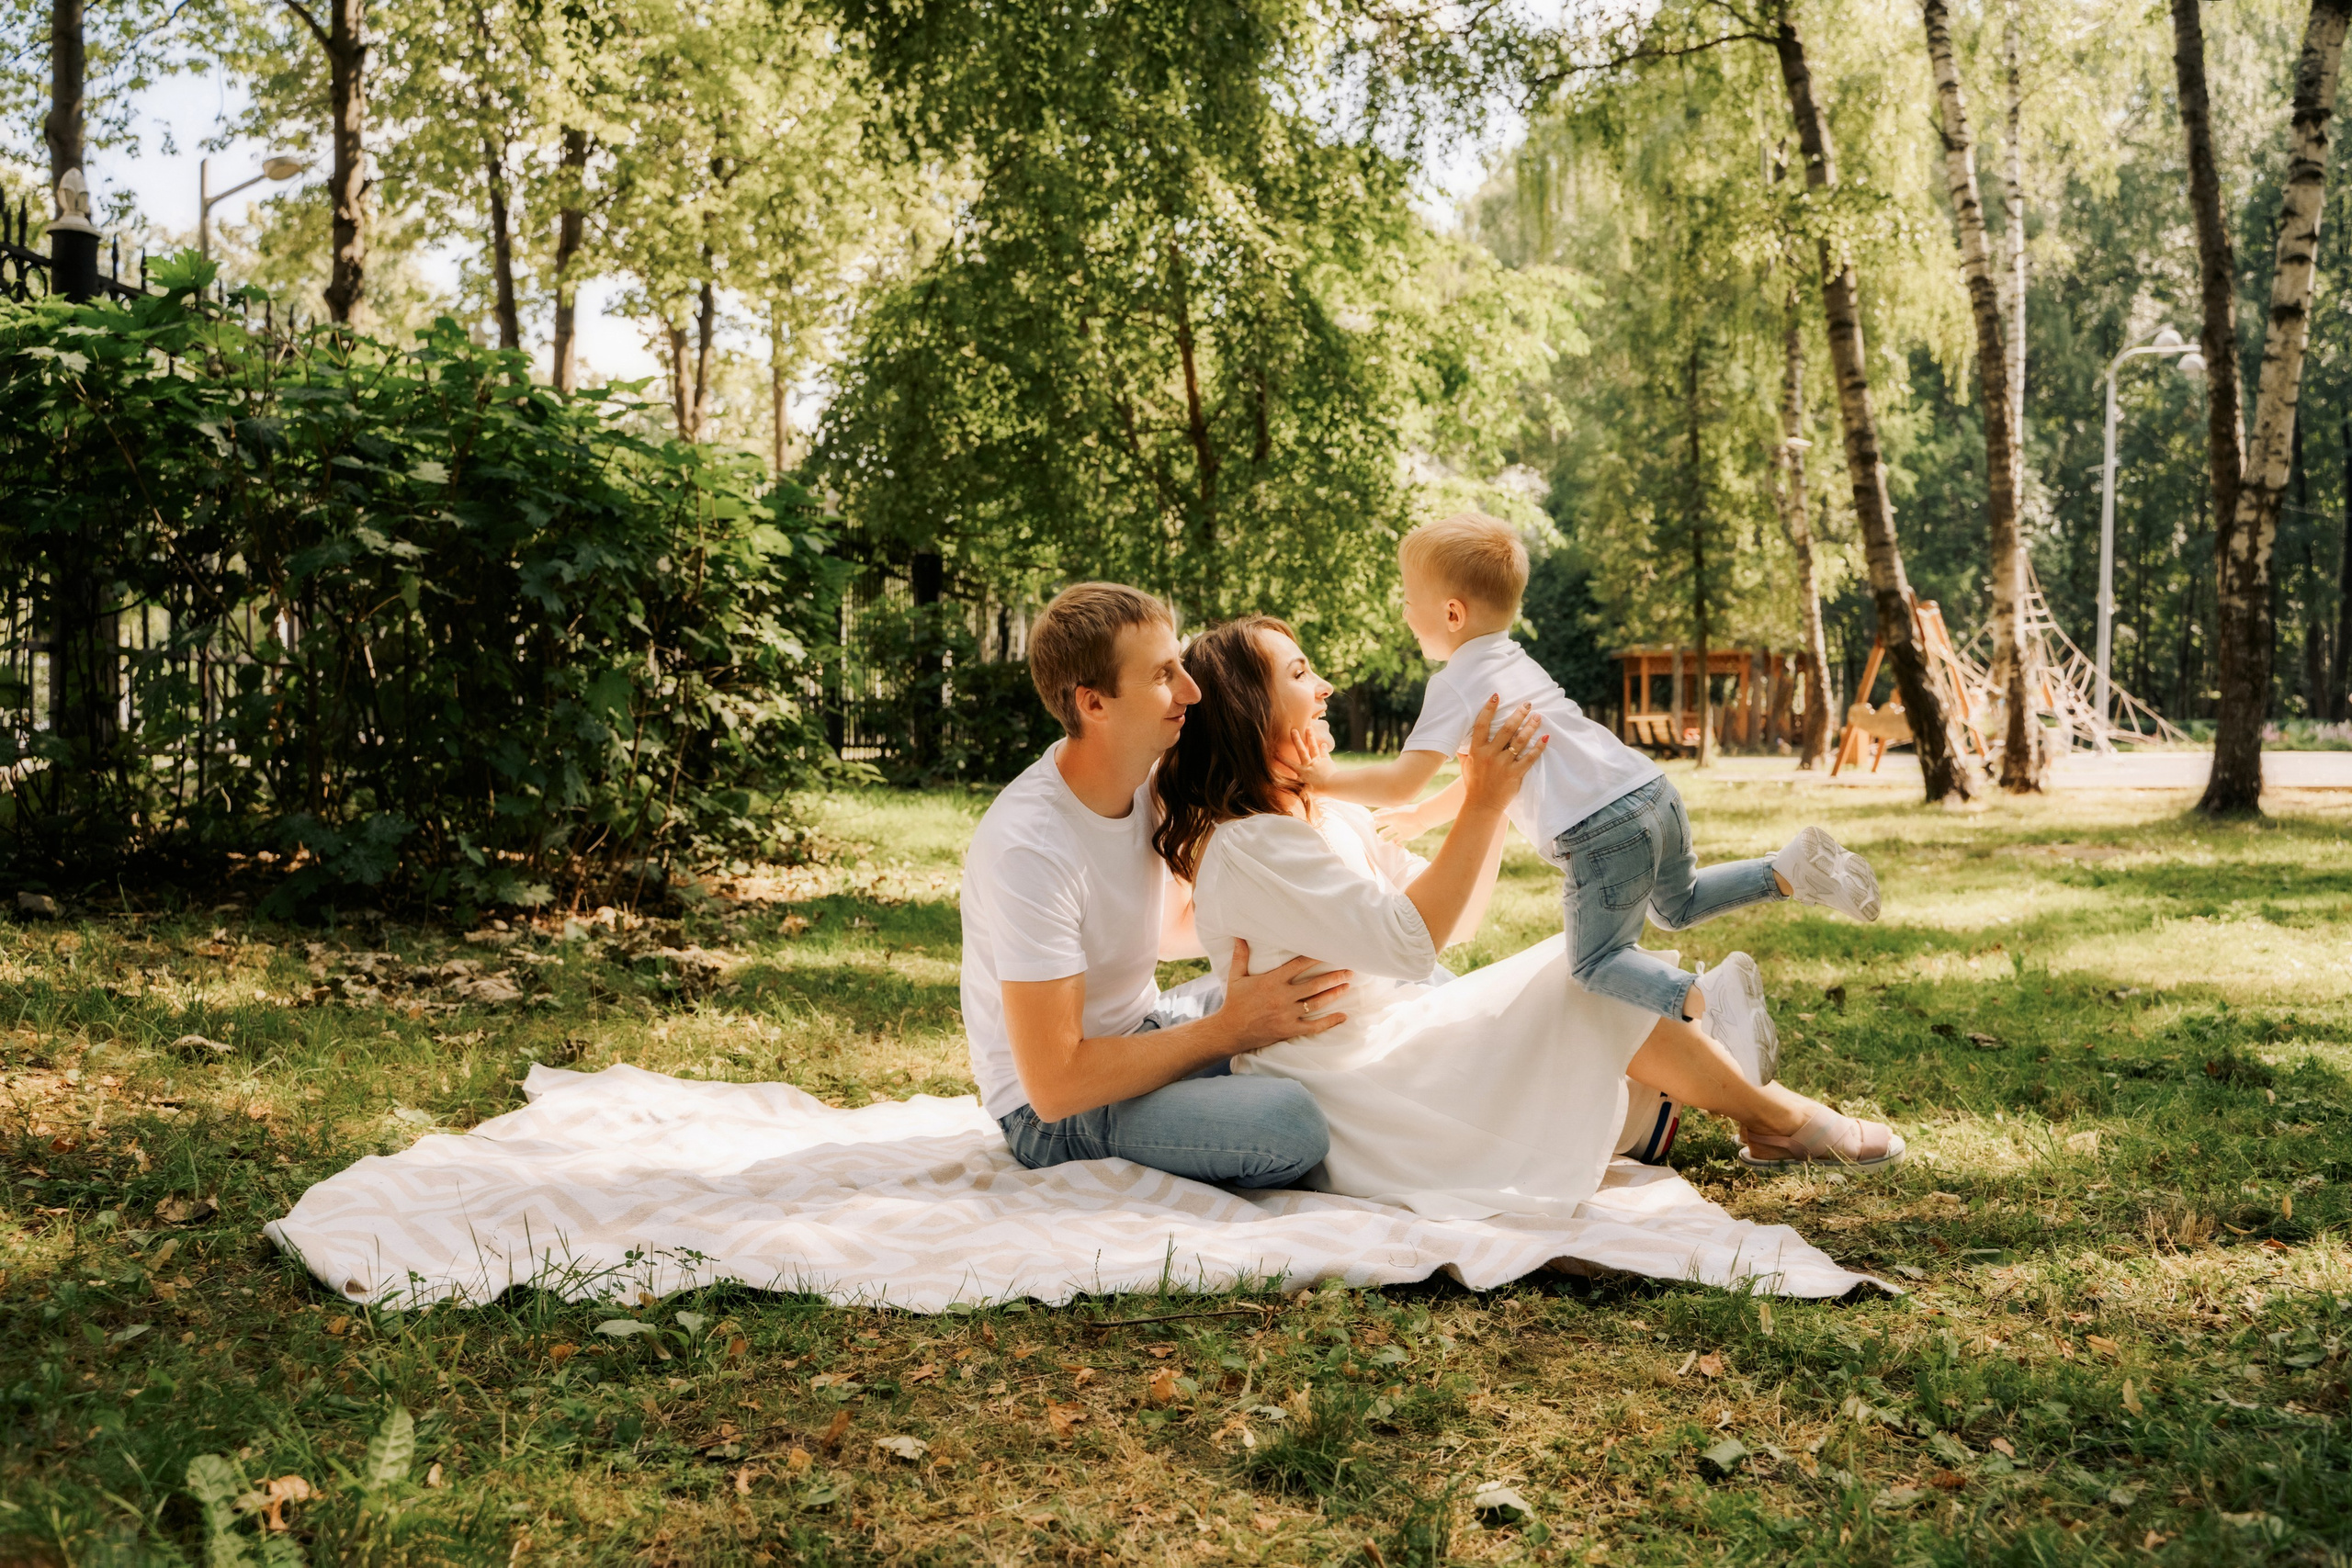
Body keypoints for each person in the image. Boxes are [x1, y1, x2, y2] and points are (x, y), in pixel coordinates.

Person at [1154, 615, 1904, 1213]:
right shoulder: (1251, 845)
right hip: (1358, 1091)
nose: (1323, 687)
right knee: (1587, 976)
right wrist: (1480, 802)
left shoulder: (1322, 817)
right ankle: (1775, 1118)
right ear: (1250, 710)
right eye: (1298, 673)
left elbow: (1459, 919)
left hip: (1399, 1041)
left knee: (1589, 975)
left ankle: (1728, 1093)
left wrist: (1493, 797)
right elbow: (1412, 942)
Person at [1309, 512, 1882, 1045]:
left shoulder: (1455, 682)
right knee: (1676, 905)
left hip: (1599, 830)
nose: (1406, 613)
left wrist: (1320, 779)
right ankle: (1786, 870)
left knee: (1595, 964)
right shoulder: (1514, 662)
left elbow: (1401, 779)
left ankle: (1710, 997)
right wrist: (1421, 818)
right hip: (1652, 793)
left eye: (1410, 601)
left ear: (1452, 614)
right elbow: (1492, 776)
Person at [958, 582, 1357, 1190]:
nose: (1192, 692)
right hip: (1057, 1112)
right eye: (1165, 675)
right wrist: (1232, 1028)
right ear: (1094, 704)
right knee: (1290, 1122)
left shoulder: (1148, 782)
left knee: (1347, 984)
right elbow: (1056, 1081)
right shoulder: (1030, 847)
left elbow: (1174, 930)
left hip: (1151, 1024)